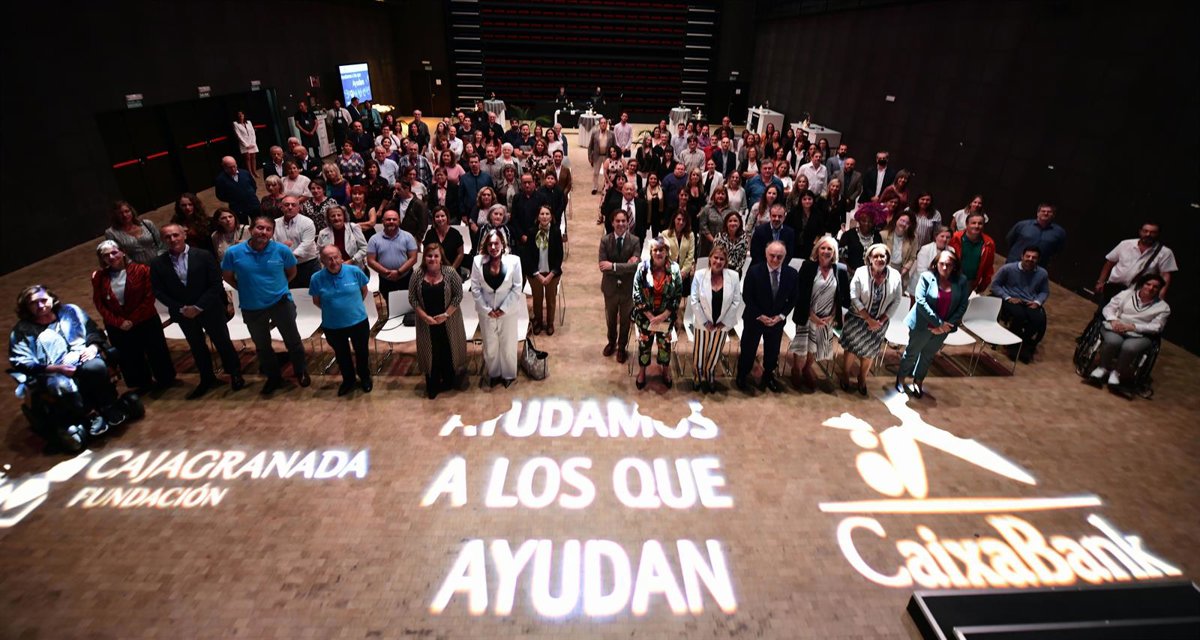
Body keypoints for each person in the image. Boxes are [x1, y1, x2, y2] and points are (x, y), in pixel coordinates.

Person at [9, 285, 125, 432]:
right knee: (62, 384)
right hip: (50, 370)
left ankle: (108, 405)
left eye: (43, 300)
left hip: (81, 357)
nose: (40, 305)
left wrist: (93, 347)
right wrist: (56, 368)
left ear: (52, 299)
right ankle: (90, 414)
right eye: (33, 303)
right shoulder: (21, 331)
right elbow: (21, 361)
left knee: (96, 367)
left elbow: (92, 330)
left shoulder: (70, 311)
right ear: (26, 307)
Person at [221, 215, 309, 395]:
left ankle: (300, 371)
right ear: (250, 229)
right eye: (260, 228)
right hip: (252, 306)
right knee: (262, 345)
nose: (264, 232)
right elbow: (227, 276)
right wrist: (245, 289)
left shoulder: (282, 250)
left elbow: (291, 272)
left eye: (268, 229)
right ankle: (273, 377)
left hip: (280, 303)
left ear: (272, 233)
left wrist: (279, 287)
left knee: (293, 340)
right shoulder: (233, 252)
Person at [91, 240, 176, 392]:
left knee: (156, 352)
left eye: (114, 252)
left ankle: (165, 380)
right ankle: (142, 383)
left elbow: (149, 297)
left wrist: (132, 320)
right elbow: (99, 303)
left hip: (145, 319)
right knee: (129, 356)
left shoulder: (142, 270)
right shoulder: (98, 276)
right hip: (118, 325)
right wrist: (118, 322)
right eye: (106, 255)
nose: (111, 257)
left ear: (122, 252)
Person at [896, 249, 970, 398]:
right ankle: (901, 379)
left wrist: (946, 325)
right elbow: (921, 301)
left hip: (944, 329)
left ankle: (918, 381)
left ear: (954, 266)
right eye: (942, 264)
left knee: (928, 356)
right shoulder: (927, 277)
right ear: (936, 264)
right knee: (912, 353)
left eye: (949, 265)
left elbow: (963, 305)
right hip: (923, 325)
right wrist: (939, 324)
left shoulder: (961, 281)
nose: (945, 267)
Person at [1086, 274, 1170, 396]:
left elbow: (1157, 327)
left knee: (1129, 347)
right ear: (1142, 284)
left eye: (1155, 287)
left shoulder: (1163, 308)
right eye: (1148, 284)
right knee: (1113, 341)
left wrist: (1133, 327)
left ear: (1159, 289)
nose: (1151, 288)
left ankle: (1116, 373)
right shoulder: (1126, 294)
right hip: (1117, 326)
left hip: (1141, 333)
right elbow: (1109, 308)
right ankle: (1102, 368)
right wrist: (1113, 320)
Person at [788, 236, 851, 392]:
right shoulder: (808, 266)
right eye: (823, 248)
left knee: (815, 346)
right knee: (801, 344)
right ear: (817, 250)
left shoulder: (840, 270)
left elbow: (842, 296)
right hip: (807, 313)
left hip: (827, 317)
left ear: (834, 252)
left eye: (830, 249)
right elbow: (800, 292)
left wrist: (833, 315)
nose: (826, 251)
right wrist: (812, 315)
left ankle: (807, 368)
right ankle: (796, 368)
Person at [408, 242, 469, 399]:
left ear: (441, 258)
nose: (432, 259)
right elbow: (412, 298)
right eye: (429, 256)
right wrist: (424, 316)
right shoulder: (417, 274)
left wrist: (446, 315)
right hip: (426, 323)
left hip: (448, 321)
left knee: (448, 350)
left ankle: (449, 381)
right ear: (424, 258)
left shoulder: (450, 272)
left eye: (436, 256)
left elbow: (458, 296)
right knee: (431, 353)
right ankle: (433, 384)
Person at [308, 245, 372, 397]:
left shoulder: (355, 271)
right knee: (342, 355)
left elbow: (364, 291)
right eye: (328, 259)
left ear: (341, 257)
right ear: (322, 261)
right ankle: (348, 380)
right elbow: (316, 301)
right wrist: (334, 310)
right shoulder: (316, 278)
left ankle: (365, 377)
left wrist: (352, 307)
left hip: (358, 322)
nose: (333, 261)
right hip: (333, 325)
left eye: (336, 257)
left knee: (362, 352)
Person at [841, 243, 904, 396]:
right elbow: (854, 296)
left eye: (882, 256)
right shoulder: (860, 272)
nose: (879, 259)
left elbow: (897, 300)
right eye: (875, 256)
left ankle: (862, 378)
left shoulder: (895, 275)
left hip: (880, 322)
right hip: (857, 319)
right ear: (869, 258)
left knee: (870, 352)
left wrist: (881, 320)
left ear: (887, 258)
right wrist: (868, 319)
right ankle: (845, 374)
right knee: (851, 349)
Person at [737, 240, 798, 394]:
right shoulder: (754, 271)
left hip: (776, 321)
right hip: (755, 318)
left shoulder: (792, 274)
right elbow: (747, 296)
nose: (775, 259)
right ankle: (742, 374)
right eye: (772, 255)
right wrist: (760, 315)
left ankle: (769, 375)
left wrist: (781, 316)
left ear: (785, 256)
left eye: (779, 256)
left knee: (772, 351)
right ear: (766, 254)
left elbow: (793, 298)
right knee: (748, 349)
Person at [471, 230, 523, 388]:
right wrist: (487, 309)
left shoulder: (514, 261)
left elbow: (517, 287)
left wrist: (503, 309)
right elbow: (475, 288)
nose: (493, 247)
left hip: (508, 311)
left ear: (502, 244)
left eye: (496, 243)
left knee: (508, 345)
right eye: (490, 244)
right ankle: (494, 374)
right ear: (486, 246)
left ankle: (509, 374)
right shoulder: (477, 261)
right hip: (486, 312)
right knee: (490, 345)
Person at [631, 236, 684, 390]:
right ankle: (642, 372)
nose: (659, 253)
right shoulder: (642, 268)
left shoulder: (674, 269)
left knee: (665, 346)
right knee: (644, 346)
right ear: (651, 252)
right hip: (646, 318)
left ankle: (665, 371)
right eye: (655, 250)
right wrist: (650, 317)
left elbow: (677, 295)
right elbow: (636, 294)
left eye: (662, 250)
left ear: (667, 251)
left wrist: (663, 316)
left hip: (665, 318)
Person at [689, 245, 743, 392]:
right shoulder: (699, 275)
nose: (718, 261)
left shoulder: (733, 276)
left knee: (715, 351)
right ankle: (698, 375)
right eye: (716, 257)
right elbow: (694, 300)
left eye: (722, 259)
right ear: (710, 258)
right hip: (703, 322)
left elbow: (736, 301)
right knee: (699, 351)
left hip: (722, 322)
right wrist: (704, 322)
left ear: (726, 261)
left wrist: (724, 322)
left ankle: (710, 373)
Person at [991, 246, 1050, 363]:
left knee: (1037, 320)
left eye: (1034, 257)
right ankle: (1012, 346)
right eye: (1028, 256)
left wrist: (1037, 302)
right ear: (1022, 256)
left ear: (1038, 260)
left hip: (1030, 301)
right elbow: (995, 285)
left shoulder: (1042, 273)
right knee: (1019, 316)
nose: (1030, 259)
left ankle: (1025, 345)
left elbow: (1044, 291)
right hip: (1011, 298)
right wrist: (1007, 297)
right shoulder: (1008, 268)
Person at [598, 209, 643, 364]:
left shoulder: (635, 241)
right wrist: (625, 265)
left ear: (628, 223)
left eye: (623, 221)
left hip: (627, 288)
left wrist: (613, 266)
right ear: (612, 223)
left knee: (625, 320)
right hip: (610, 288)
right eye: (617, 221)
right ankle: (611, 342)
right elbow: (602, 266)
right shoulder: (605, 241)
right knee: (610, 319)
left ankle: (622, 347)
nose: (621, 224)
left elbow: (635, 266)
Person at [1095, 222, 1178, 304]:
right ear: (1140, 231)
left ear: (1158, 234)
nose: (1148, 234)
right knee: (1103, 311)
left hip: (1136, 294)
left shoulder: (1165, 252)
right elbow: (1109, 263)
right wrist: (1101, 282)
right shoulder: (1125, 244)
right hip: (1113, 287)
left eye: (1153, 232)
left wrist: (1161, 295)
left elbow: (1165, 276)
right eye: (1145, 231)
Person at [521, 206, 564, 336]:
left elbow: (559, 256)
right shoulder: (531, 232)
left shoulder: (556, 232)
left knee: (551, 300)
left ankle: (550, 323)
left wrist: (551, 274)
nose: (544, 216)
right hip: (536, 274)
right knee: (537, 299)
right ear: (538, 216)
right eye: (542, 214)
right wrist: (537, 274)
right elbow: (528, 255)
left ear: (551, 216)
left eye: (547, 214)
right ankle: (538, 322)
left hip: (552, 273)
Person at [367, 209, 420, 309]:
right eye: (388, 219)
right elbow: (370, 261)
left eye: (394, 219)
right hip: (385, 279)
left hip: (406, 277)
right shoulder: (374, 239)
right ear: (382, 221)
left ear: (399, 221)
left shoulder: (408, 237)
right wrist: (387, 272)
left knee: (408, 305)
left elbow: (413, 258)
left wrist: (399, 272)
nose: (391, 221)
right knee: (389, 306)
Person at [273, 196, 319, 286]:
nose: (290, 207)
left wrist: (288, 257)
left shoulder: (307, 222)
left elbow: (306, 244)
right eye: (286, 205)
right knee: (288, 292)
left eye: (293, 205)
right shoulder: (274, 223)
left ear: (298, 208)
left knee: (312, 292)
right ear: (281, 207)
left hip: (307, 265)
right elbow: (272, 244)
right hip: (284, 266)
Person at [1005, 203, 1067, 268]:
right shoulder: (1022, 225)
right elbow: (1009, 240)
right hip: (1015, 263)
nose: (1046, 213)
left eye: (1049, 212)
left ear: (1053, 215)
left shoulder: (1059, 232)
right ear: (1038, 213)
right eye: (1043, 211)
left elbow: (1059, 251)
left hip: (1038, 267)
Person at [949, 211, 997, 294]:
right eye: (973, 223)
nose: (977, 226)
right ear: (967, 224)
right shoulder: (954, 238)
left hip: (970, 282)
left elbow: (988, 267)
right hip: (950, 279)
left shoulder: (989, 243)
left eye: (980, 223)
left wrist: (983, 285)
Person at [105, 200, 165, 265]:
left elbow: (161, 243)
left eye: (127, 211)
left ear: (132, 211)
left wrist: (161, 259)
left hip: (160, 262)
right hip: (136, 268)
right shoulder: (111, 233)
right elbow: (117, 255)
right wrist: (136, 268)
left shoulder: (146, 224)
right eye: (120, 213)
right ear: (115, 216)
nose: (124, 215)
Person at [318, 205, 369, 272]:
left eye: (339, 215)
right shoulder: (323, 233)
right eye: (333, 216)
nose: (336, 218)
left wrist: (352, 260)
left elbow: (364, 248)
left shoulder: (354, 227)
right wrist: (330, 263)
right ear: (328, 218)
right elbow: (319, 253)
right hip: (332, 270)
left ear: (344, 216)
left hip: (354, 268)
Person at [662, 210, 696, 300]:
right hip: (668, 273)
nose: (681, 222)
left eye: (683, 220)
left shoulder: (690, 235)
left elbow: (690, 256)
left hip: (684, 274)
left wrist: (684, 272)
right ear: (674, 219)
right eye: (679, 219)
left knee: (682, 303)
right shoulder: (665, 234)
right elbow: (663, 255)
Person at [882, 211, 919, 292]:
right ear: (896, 220)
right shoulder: (883, 235)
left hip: (901, 271)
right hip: (884, 269)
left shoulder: (913, 239)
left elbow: (912, 258)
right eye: (902, 220)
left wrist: (902, 273)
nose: (904, 224)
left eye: (907, 223)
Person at [910, 225, 951, 297]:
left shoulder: (951, 251)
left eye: (947, 237)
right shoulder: (925, 249)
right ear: (936, 237)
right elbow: (921, 271)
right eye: (942, 236)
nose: (945, 239)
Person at [588, 117, 617, 195]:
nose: (603, 124)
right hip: (597, 156)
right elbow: (590, 146)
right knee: (595, 172)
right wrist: (590, 156)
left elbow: (614, 146)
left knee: (607, 173)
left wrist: (614, 156)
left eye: (604, 123)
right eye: (602, 123)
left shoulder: (611, 134)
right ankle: (595, 187)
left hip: (607, 156)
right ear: (599, 124)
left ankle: (606, 187)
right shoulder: (594, 133)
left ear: (606, 124)